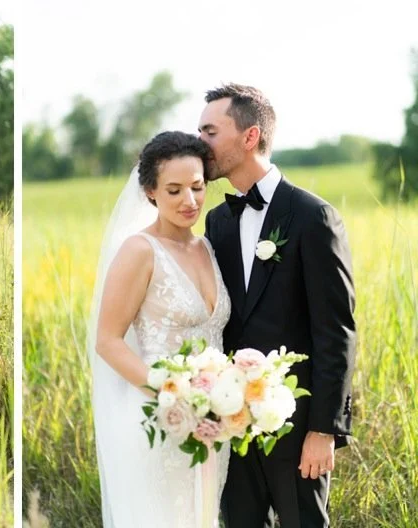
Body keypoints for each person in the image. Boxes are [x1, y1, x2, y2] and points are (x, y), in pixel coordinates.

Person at [200, 83, 356, 528]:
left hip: (296, 426)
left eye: (210, 131)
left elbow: (336, 330)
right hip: (232, 425)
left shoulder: (312, 216)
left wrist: (324, 430)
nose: (200, 143)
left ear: (250, 137)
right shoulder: (218, 221)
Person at [88, 131, 231, 527]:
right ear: (150, 192)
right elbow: (108, 341)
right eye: (174, 190)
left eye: (197, 187)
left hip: (213, 422)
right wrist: (172, 396)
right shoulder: (139, 251)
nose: (190, 201)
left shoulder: (207, 247)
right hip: (159, 417)